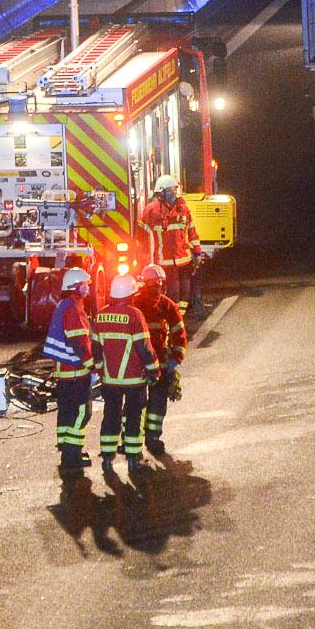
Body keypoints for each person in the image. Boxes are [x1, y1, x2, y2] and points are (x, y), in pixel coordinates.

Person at [87, 272, 158, 473]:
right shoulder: (135, 315)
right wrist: (153, 371)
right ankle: (133, 456)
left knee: (111, 416)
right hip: (134, 379)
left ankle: (108, 457)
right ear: (131, 295)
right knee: (134, 416)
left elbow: (96, 348)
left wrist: (101, 371)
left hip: (110, 381)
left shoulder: (100, 315)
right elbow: (144, 347)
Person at [40, 266, 95, 477]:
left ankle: (66, 451)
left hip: (64, 373)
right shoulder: (72, 309)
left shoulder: (64, 305)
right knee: (82, 413)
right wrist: (92, 366)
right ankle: (72, 456)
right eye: (85, 285)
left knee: (67, 413)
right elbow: (79, 343)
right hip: (75, 372)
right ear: (77, 287)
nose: (88, 288)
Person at [130, 263, 189, 459]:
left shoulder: (166, 305)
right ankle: (141, 441)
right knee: (142, 403)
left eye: (159, 282)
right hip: (144, 362)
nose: (157, 286)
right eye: (154, 282)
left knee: (153, 402)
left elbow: (178, 333)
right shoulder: (136, 304)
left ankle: (149, 439)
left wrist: (176, 356)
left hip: (153, 362)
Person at [138, 179, 199, 307]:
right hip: (164, 261)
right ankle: (173, 318)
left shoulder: (183, 209)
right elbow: (142, 235)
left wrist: (197, 252)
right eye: (170, 190)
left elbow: (192, 231)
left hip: (184, 260)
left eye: (174, 190)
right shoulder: (151, 210)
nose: (173, 193)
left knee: (185, 292)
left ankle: (179, 318)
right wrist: (145, 256)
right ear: (161, 193)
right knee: (173, 292)